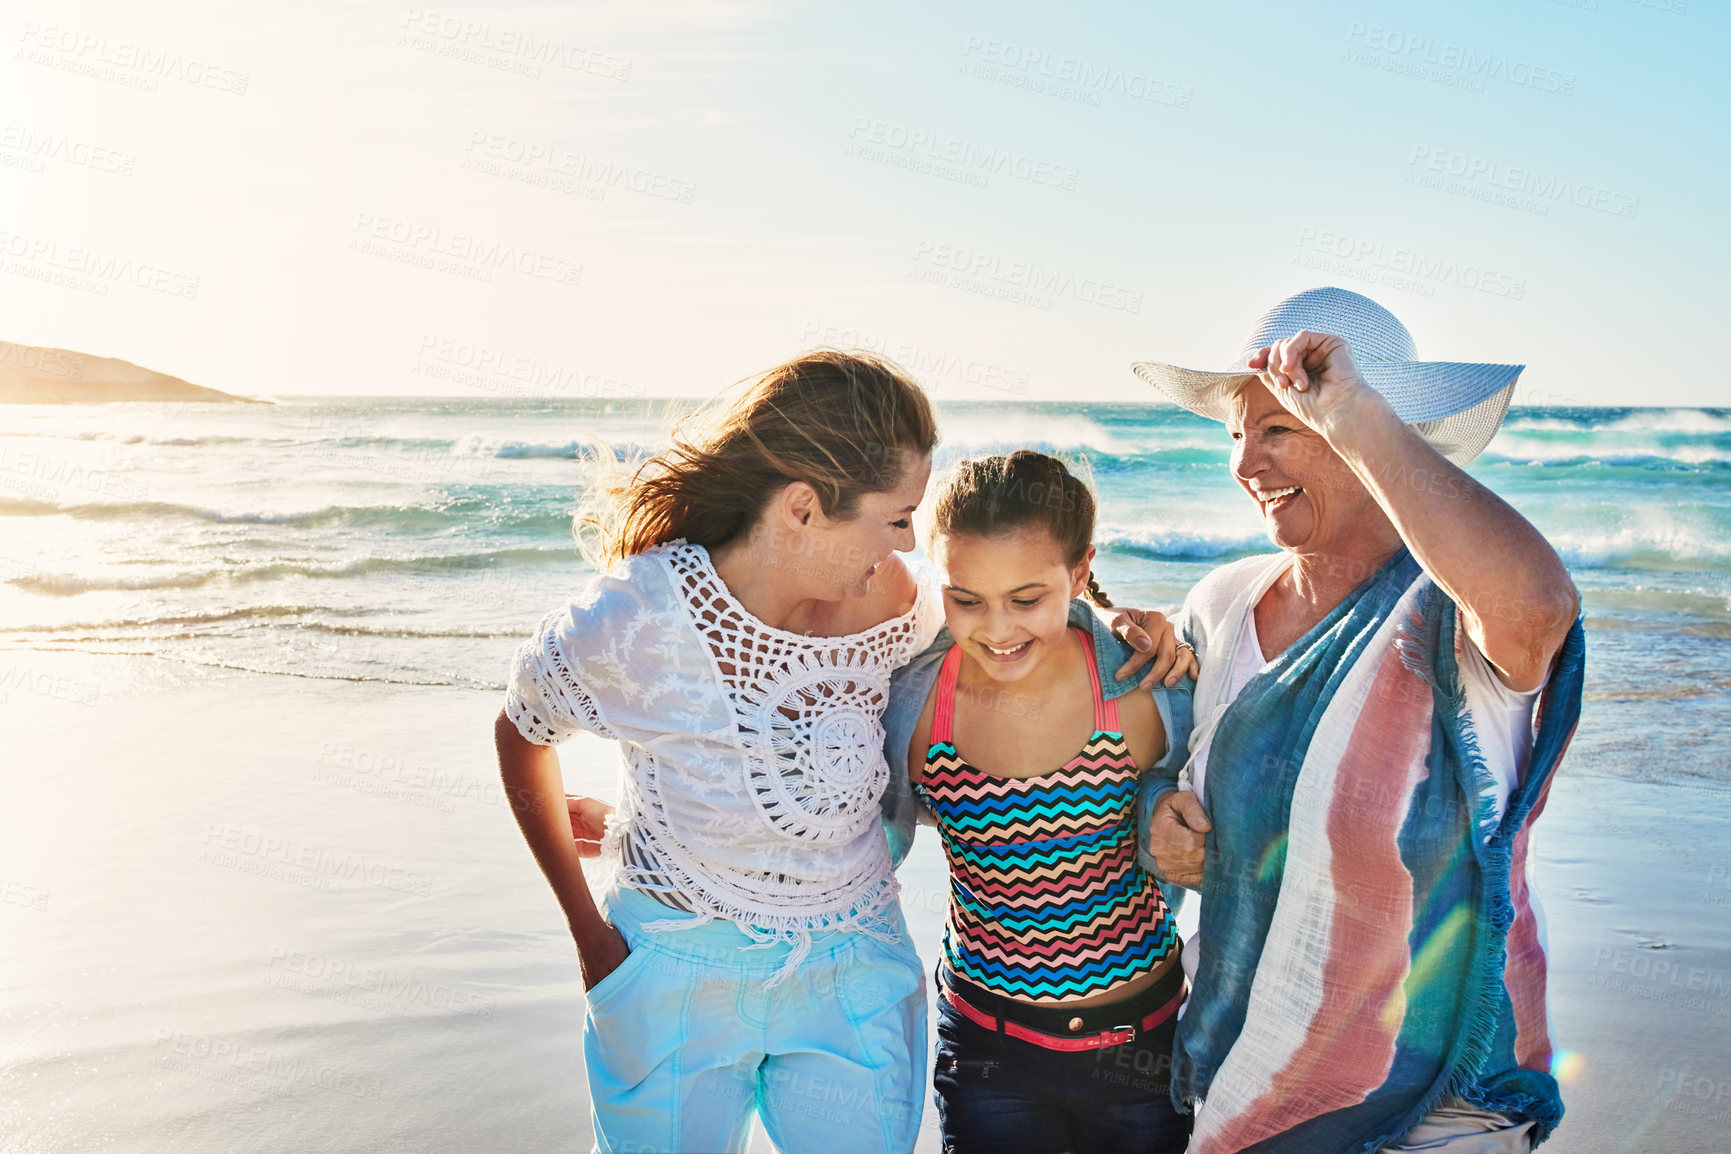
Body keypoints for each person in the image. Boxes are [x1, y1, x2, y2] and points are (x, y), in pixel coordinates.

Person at [496, 351, 1190, 1154]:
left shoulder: (901, 604)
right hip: (676, 970)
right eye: (897, 516)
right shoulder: (632, 616)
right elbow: (523, 733)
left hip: (858, 971)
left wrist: (1136, 621)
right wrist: (590, 938)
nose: (909, 543)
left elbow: (1017, 617)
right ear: (803, 508)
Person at [1134, 287, 1585, 1154]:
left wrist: (1346, 410)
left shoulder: (1449, 613)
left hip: (1438, 1108)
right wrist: (1158, 811)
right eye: (1236, 433)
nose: (1244, 464)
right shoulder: (1219, 603)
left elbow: (1537, 605)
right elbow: (1174, 764)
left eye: (1278, 429)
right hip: (1238, 1077)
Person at [895, 451, 1191, 1154]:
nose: (996, 629)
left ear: (1080, 573)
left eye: (1026, 599)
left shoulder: (1141, 691)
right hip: (987, 1057)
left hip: (1143, 1049)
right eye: (965, 599)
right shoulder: (916, 707)